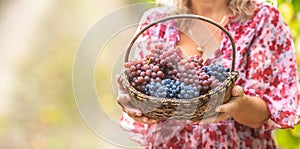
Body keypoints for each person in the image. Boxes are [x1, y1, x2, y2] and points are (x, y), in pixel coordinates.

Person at [116, 0, 300, 148]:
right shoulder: (156, 21)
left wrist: (239, 104)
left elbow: (261, 116)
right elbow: (150, 96)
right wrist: (140, 106)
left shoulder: (264, 20)